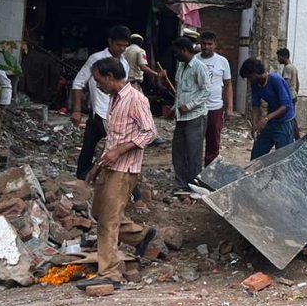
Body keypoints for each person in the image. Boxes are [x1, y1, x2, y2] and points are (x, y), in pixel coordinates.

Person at [77, 57, 157, 291]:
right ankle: (141, 236)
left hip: (124, 169)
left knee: (108, 221)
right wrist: (97, 166)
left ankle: (110, 273)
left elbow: (150, 132)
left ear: (110, 77)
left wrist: (120, 151)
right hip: (110, 167)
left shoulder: (135, 99)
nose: (98, 85)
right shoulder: (113, 99)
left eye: (99, 80)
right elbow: (113, 139)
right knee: (100, 213)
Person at [71, 26, 131, 180]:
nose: (122, 49)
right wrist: (76, 110)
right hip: (99, 111)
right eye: (119, 45)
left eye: (125, 46)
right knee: (93, 147)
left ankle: (95, 177)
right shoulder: (95, 59)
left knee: (105, 146)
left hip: (112, 113)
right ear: (110, 42)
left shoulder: (124, 63)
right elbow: (78, 83)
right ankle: (84, 178)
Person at [161, 36, 209, 191]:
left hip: (196, 116)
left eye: (177, 52)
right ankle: (181, 183)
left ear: (184, 50)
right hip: (181, 118)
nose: (175, 55)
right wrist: (174, 109)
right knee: (178, 151)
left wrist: (189, 106)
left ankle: (194, 185)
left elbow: (206, 91)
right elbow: (180, 93)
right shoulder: (181, 66)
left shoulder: (199, 67)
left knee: (193, 153)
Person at [240, 57, 295, 160]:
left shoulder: (275, 80)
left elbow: (285, 106)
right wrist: (255, 124)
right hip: (270, 121)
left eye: (249, 77)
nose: (249, 80)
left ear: (256, 73)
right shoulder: (255, 84)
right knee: (257, 155)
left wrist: (266, 119)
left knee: (283, 158)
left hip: (284, 122)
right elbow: (255, 105)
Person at [198, 31, 234, 165]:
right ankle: (195, 171)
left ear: (215, 45)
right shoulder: (195, 60)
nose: (206, 47)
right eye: (204, 43)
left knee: (213, 142)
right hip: (197, 108)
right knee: (195, 142)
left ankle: (209, 171)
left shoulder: (222, 61)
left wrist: (229, 107)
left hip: (215, 108)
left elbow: (228, 84)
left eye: (209, 44)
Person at [277, 48, 300, 137]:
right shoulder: (293, 67)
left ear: (284, 57)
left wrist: (283, 97)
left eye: (279, 57)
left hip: (289, 95)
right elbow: (298, 83)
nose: (278, 59)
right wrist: (296, 93)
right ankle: (296, 136)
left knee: (288, 117)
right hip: (293, 94)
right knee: (292, 116)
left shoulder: (287, 68)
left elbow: (285, 83)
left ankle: (293, 135)